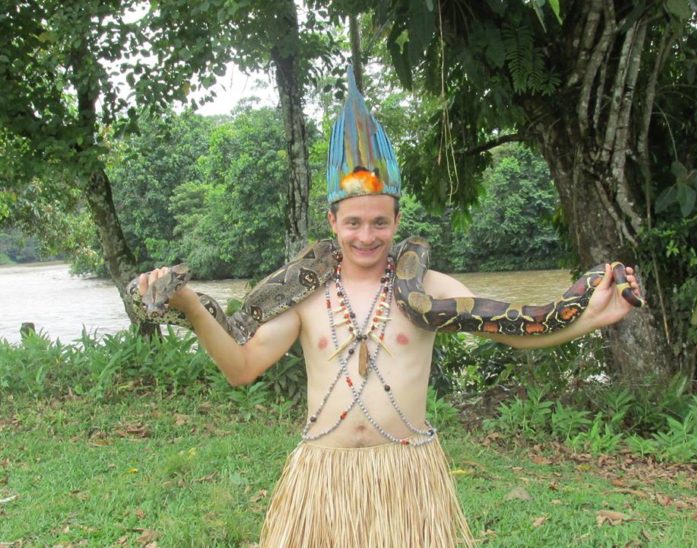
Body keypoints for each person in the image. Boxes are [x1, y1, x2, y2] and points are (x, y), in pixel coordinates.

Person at [138, 69, 641, 546]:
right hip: (324, 479)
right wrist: (188, 305)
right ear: (332, 222)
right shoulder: (308, 295)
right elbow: (242, 369)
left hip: (406, 479)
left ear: (397, 220)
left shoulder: (432, 286)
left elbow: (518, 329)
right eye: (353, 223)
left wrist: (592, 315)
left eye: (380, 223)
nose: (366, 236)